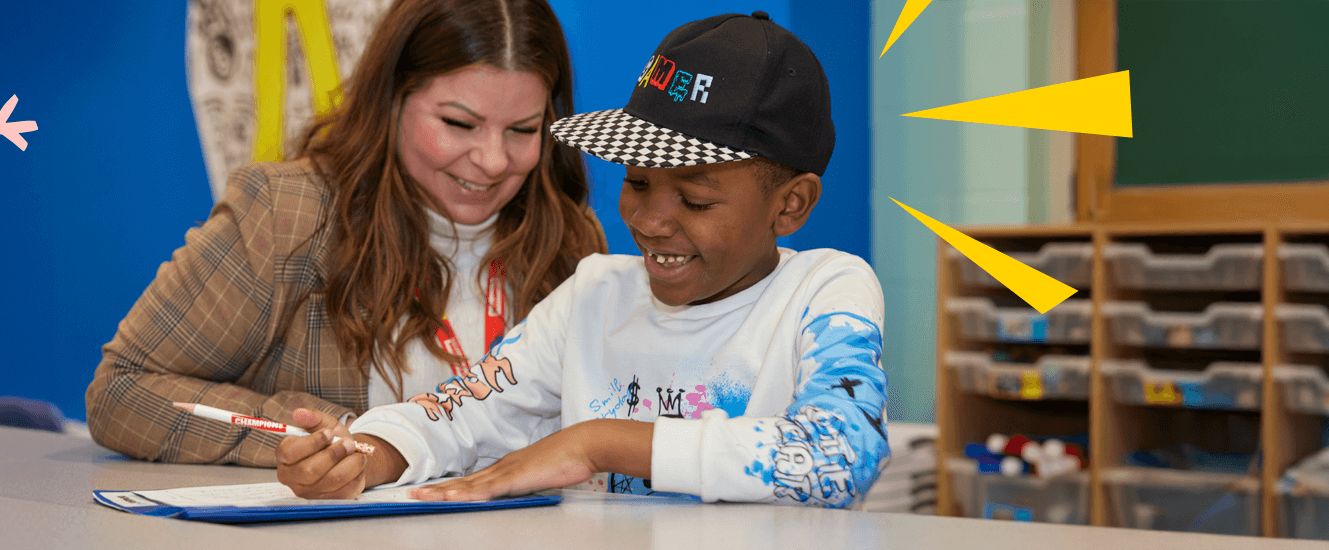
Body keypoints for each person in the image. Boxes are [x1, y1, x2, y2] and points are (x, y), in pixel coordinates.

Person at [274, 11, 889, 509]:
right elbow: (459, 413)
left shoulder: (824, 291)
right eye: (638, 182)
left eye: (696, 199)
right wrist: (367, 453)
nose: (649, 221)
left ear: (792, 205)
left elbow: (840, 455)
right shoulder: (593, 293)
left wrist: (598, 443)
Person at [85, 0, 606, 468]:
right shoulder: (288, 214)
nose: (493, 161)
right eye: (458, 124)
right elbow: (122, 391)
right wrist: (327, 439)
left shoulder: (571, 239)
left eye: (523, 130)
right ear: (391, 101)